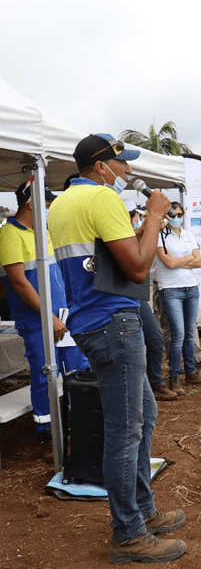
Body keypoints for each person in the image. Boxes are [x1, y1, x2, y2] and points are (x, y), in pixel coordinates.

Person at [48, 133, 186, 565]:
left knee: (143, 415)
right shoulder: (102, 199)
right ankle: (128, 534)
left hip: (91, 322)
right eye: (121, 164)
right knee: (125, 433)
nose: (126, 171)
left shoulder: (61, 204)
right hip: (115, 322)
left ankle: (143, 512)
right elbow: (139, 266)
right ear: (100, 166)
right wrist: (153, 218)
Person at [0, 181, 90, 442]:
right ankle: (46, 432)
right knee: (45, 374)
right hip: (38, 321)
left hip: (62, 317)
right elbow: (18, 282)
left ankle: (81, 424)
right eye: (47, 205)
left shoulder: (43, 232)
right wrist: (48, 317)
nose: (50, 209)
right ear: (31, 203)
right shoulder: (10, 234)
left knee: (76, 369)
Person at [155, 202, 201, 395]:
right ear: (166, 216)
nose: (176, 217)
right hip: (170, 289)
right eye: (172, 214)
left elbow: (199, 261)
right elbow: (167, 263)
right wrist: (187, 258)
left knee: (188, 334)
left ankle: (191, 373)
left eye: (179, 213)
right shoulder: (160, 235)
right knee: (177, 334)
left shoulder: (188, 234)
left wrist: (179, 261)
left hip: (191, 288)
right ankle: (174, 377)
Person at [129, 208, 177, 402]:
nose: (139, 220)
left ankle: (155, 384)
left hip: (134, 296)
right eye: (137, 217)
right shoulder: (119, 236)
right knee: (135, 347)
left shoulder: (131, 234)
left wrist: (150, 228)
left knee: (155, 339)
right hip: (122, 297)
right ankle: (144, 387)